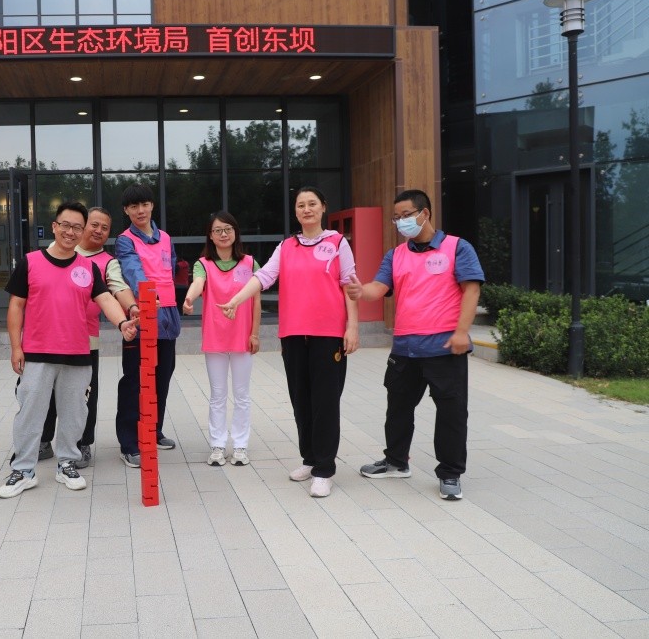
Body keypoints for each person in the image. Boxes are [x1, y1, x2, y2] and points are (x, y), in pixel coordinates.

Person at [218, 186, 359, 498]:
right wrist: (236, 300)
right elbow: (263, 277)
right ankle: (310, 459)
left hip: (328, 335)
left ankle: (324, 469)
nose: (306, 209)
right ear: (295, 211)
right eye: (301, 205)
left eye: (312, 204)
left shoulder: (338, 243)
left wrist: (352, 327)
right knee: (301, 400)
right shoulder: (286, 246)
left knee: (325, 402)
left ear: (323, 207)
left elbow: (349, 285)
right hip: (293, 334)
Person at [346, 189, 484, 501]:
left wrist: (462, 332)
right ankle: (396, 462)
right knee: (397, 408)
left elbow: (472, 290)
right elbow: (379, 286)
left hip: (444, 347)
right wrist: (361, 291)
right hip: (405, 348)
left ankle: (450, 473)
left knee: (450, 413)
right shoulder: (396, 255)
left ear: (425, 213)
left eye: (406, 215)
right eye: (396, 218)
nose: (401, 222)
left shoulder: (457, 247)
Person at [0, 201, 138, 499]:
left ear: (82, 231)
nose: (70, 232)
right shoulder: (30, 262)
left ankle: (67, 463)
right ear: (54, 227)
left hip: (77, 354)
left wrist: (123, 323)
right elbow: (16, 306)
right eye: (66, 225)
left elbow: (106, 299)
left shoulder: (88, 268)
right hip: (37, 353)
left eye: (77, 227)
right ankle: (23, 469)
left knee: (75, 413)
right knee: (30, 413)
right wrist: (15, 347)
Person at [34, 207, 138, 469]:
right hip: (48, 339)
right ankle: (43, 440)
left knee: (84, 396)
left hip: (85, 340)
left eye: (105, 228)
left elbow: (118, 288)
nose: (99, 231)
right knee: (45, 394)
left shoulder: (107, 262)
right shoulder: (55, 251)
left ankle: (82, 443)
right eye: (94, 224)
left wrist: (132, 307)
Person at [182, 211, 261, 466]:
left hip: (242, 337)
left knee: (242, 395)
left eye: (228, 229)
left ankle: (240, 445)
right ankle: (217, 444)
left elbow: (256, 301)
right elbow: (198, 283)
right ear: (211, 235)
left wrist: (255, 333)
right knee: (217, 395)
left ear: (235, 232)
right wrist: (190, 298)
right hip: (215, 337)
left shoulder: (250, 263)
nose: (223, 234)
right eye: (218, 230)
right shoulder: (203, 264)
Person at [115, 184, 181, 467]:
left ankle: (154, 430)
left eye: (144, 204)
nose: (140, 211)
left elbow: (171, 269)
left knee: (162, 376)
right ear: (126, 211)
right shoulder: (125, 240)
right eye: (133, 206)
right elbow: (132, 269)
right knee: (135, 381)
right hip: (142, 315)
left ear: (152, 205)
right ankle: (129, 443)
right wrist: (147, 295)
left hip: (168, 315)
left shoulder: (165, 237)